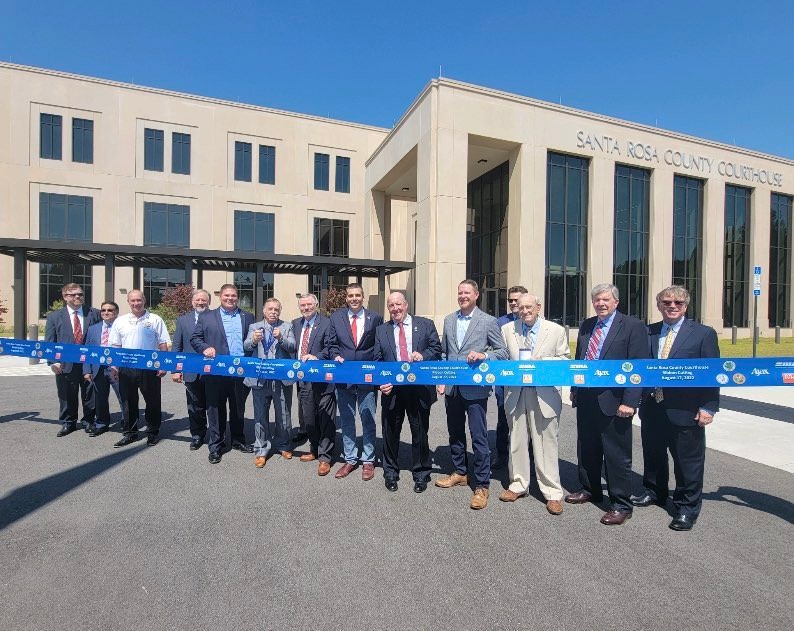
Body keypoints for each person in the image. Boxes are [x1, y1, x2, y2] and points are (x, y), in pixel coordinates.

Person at [632, 286, 719, 531]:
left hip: (686, 410)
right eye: (666, 302)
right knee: (653, 454)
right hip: (653, 406)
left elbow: (713, 374)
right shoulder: (648, 332)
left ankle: (686, 508)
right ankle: (654, 491)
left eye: (678, 303)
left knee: (687, 462)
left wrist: (709, 407)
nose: (672, 306)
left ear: (686, 307)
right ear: (658, 305)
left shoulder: (703, 334)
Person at [565, 283, 649, 525]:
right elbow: (580, 359)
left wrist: (630, 401)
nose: (600, 303)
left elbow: (638, 366)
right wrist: (575, 389)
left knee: (616, 454)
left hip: (616, 401)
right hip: (587, 398)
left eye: (605, 300)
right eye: (597, 300)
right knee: (587, 448)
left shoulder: (633, 326)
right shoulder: (588, 325)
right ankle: (590, 488)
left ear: (616, 302)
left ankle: (621, 503)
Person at [435, 279, 508, 510]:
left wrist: (484, 356)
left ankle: (482, 485)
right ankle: (459, 471)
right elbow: (445, 353)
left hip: (476, 388)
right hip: (452, 388)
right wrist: (442, 379)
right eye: (460, 292)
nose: (463, 296)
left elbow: (503, 352)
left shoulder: (488, 321)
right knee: (455, 432)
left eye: (467, 292)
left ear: (476, 295)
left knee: (478, 437)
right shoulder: (448, 320)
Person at [499, 293, 570, 514]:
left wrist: (540, 362)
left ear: (538, 307)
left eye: (529, 307)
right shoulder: (508, 329)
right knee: (517, 441)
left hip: (544, 394)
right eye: (520, 307)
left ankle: (552, 492)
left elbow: (565, 359)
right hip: (517, 393)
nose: (525, 311)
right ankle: (518, 484)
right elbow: (502, 358)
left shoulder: (555, 330)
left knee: (546, 443)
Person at [373, 292, 442, 493]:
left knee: (419, 431)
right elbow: (377, 360)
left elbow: (436, 349)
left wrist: (423, 355)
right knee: (390, 432)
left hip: (418, 388)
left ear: (406, 304)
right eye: (391, 305)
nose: (395, 308)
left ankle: (421, 473)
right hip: (392, 390)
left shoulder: (426, 324)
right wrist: (380, 383)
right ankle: (391, 472)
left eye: (398, 304)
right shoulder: (381, 330)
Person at [191, 284, 255, 464]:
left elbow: (251, 342)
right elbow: (195, 339)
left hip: (240, 372)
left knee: (238, 408)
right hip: (216, 372)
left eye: (233, 296)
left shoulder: (247, 316)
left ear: (238, 297)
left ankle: (237, 440)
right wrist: (205, 348)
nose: (230, 298)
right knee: (215, 409)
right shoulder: (206, 317)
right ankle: (216, 446)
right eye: (227, 295)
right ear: (220, 296)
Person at [328, 282, 383, 481]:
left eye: (357, 295)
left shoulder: (375, 318)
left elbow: (379, 345)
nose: (354, 299)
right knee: (348, 419)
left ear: (363, 297)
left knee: (367, 418)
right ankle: (350, 459)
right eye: (350, 295)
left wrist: (374, 369)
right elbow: (331, 343)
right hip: (343, 378)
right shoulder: (336, 317)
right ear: (346, 298)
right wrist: (335, 356)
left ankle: (368, 460)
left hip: (367, 379)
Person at [108, 290, 171, 447]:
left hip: (149, 368)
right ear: (128, 302)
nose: (136, 303)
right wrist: (114, 367)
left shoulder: (155, 319)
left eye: (139, 300)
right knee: (128, 402)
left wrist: (163, 365)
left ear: (144, 300)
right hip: (126, 368)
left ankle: (152, 432)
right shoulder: (120, 321)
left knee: (152, 401)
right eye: (133, 300)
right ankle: (130, 433)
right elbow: (115, 346)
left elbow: (163, 343)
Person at [243, 297, 297, 468]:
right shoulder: (254, 327)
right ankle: (261, 448)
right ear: (264, 311)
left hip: (281, 379)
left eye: (276, 309)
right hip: (259, 378)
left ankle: (283, 444)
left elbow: (293, 346)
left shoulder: (286, 326)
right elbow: (246, 346)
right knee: (260, 415)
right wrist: (254, 340)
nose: (273, 312)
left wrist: (281, 338)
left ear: (279, 311)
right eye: (270, 309)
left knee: (284, 414)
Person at [45, 282, 101, 437]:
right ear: (65, 297)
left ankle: (89, 421)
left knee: (90, 394)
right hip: (65, 364)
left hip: (89, 363)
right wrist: (52, 362)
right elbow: (50, 342)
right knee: (67, 394)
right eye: (73, 294)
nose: (77, 297)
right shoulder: (54, 317)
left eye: (80, 294)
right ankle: (68, 423)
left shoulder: (94, 313)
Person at [291, 293, 336, 476]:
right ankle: (315, 448)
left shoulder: (327, 323)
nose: (306, 308)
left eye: (309, 304)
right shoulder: (295, 324)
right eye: (303, 305)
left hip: (323, 378)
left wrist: (316, 357)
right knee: (309, 417)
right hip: (303, 379)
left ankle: (325, 457)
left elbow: (331, 347)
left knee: (326, 418)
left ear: (316, 305)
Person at [171, 289, 211, 451]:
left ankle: (217, 435)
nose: (200, 303)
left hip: (211, 370)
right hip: (190, 371)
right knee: (195, 405)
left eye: (204, 300)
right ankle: (197, 435)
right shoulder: (183, 320)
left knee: (214, 405)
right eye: (197, 300)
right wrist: (175, 369)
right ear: (192, 302)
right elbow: (177, 346)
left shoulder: (215, 318)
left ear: (209, 302)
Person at [493, 285, 528, 469]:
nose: (513, 303)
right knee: (503, 418)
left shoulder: (534, 320)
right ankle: (502, 455)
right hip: (504, 379)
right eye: (511, 300)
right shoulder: (500, 322)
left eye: (517, 300)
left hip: (528, 380)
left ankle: (527, 459)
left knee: (528, 420)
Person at [82, 301, 122, 437]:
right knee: (100, 398)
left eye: (110, 310)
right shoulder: (93, 329)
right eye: (103, 310)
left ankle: (127, 422)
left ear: (116, 312)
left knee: (123, 397)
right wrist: (87, 370)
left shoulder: (122, 327)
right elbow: (87, 351)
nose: (106, 312)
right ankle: (101, 424)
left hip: (116, 369)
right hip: (98, 369)